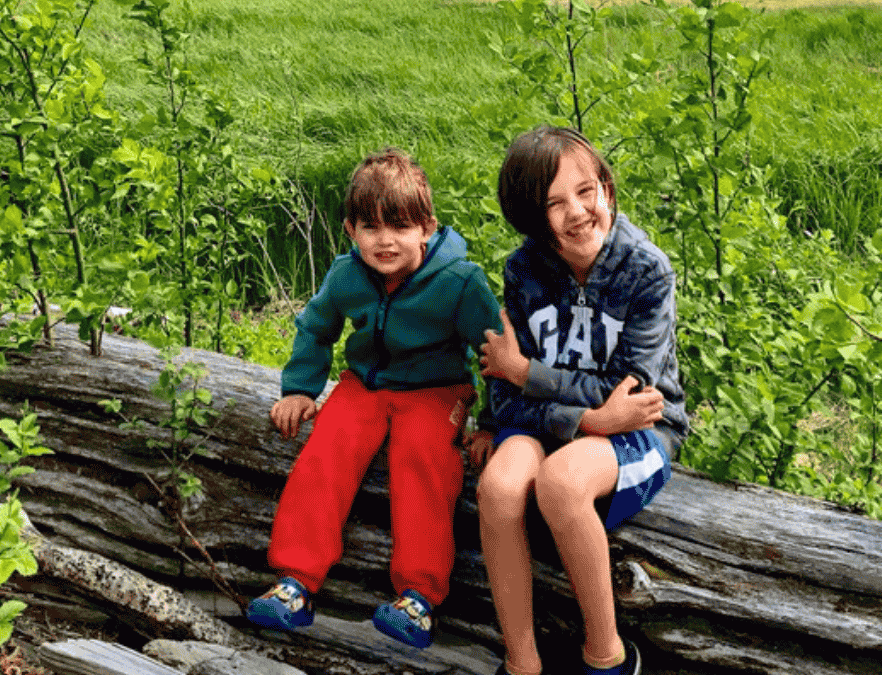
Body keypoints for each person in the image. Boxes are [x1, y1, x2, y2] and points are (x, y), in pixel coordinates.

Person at [245, 148, 502, 649]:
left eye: (400, 227)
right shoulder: (347, 274)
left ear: (427, 228)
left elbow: (498, 355)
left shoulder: (460, 282)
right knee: (325, 453)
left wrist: (494, 423)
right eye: (370, 227)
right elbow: (316, 328)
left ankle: (418, 597)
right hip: (364, 385)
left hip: (437, 391)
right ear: (350, 230)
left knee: (425, 461)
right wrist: (300, 388)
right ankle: (295, 584)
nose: (385, 241)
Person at [477, 126, 687, 675]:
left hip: (637, 431)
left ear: (607, 188)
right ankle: (522, 662)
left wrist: (528, 373)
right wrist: (584, 416)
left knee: (562, 482)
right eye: (554, 203)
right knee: (498, 489)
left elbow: (630, 395)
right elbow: (501, 385)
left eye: (586, 190)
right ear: (531, 219)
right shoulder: (524, 272)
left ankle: (608, 657)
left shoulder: (646, 271)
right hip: (565, 421)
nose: (577, 212)